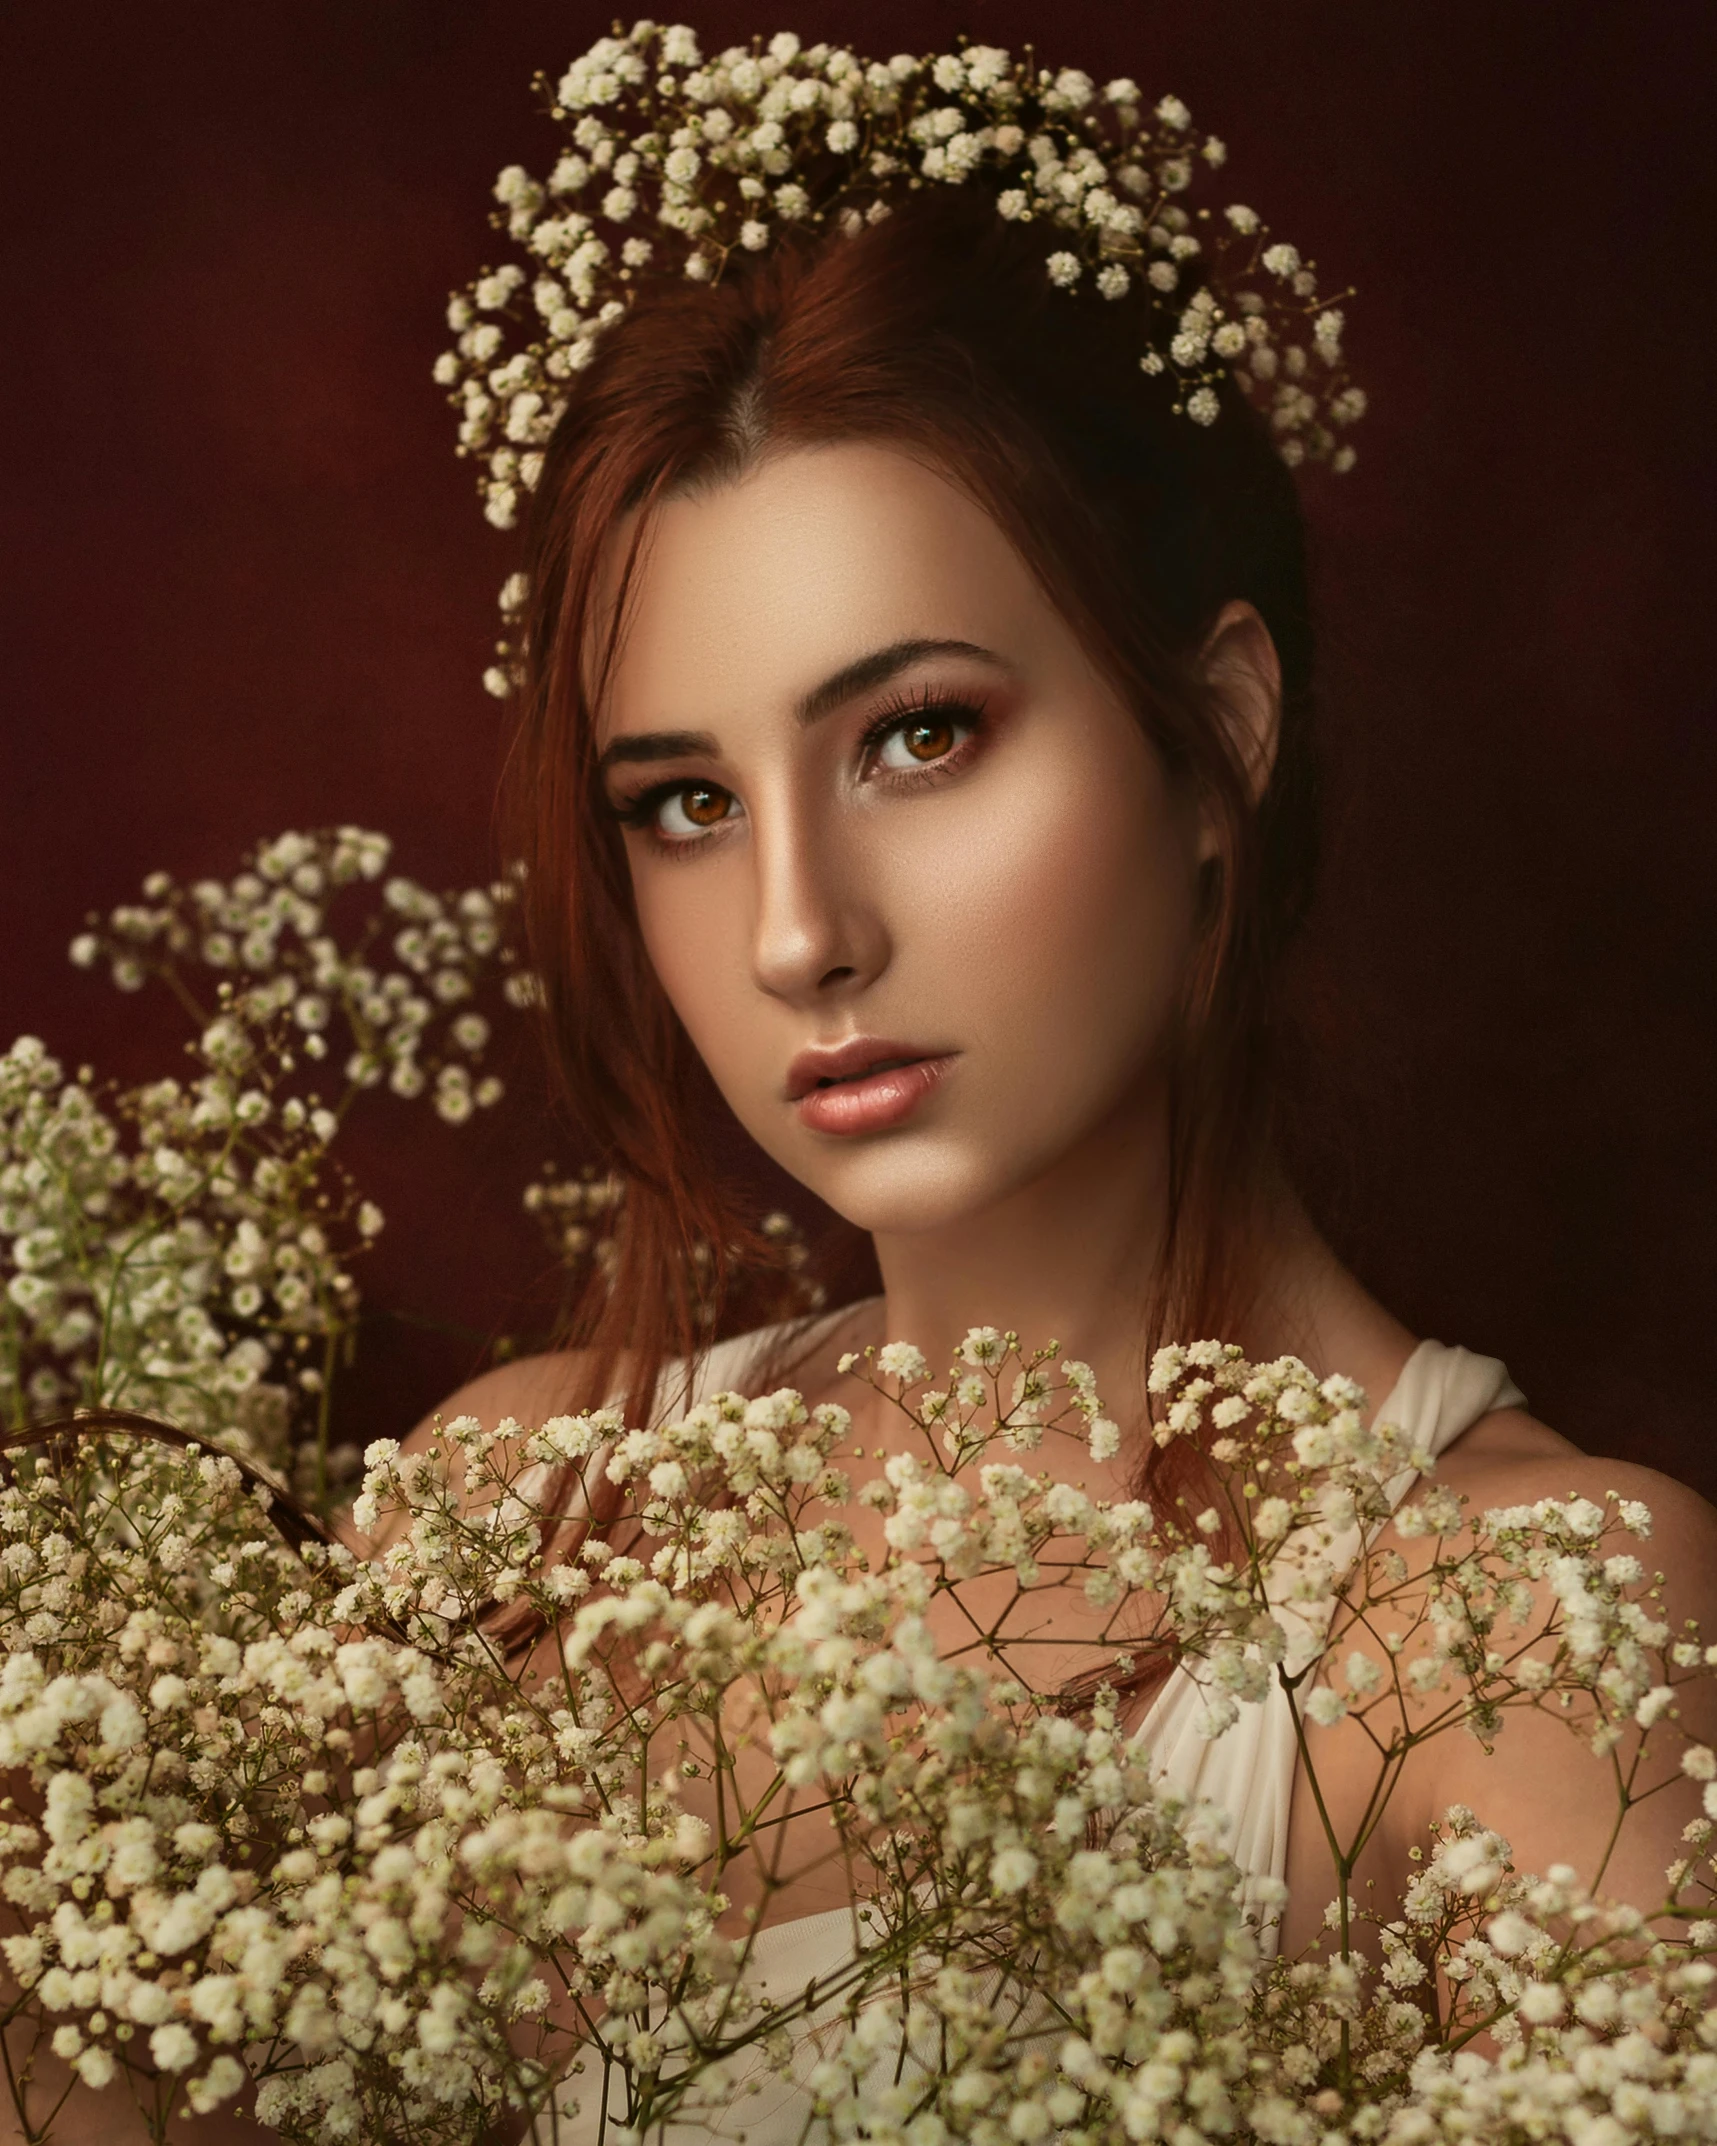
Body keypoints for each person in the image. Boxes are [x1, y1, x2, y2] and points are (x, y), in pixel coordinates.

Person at [392, 66, 1717, 2139]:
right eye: (685, 801)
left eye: (920, 736)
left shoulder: (1519, 1618)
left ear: (1217, 736)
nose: (796, 931)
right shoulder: (521, 1511)